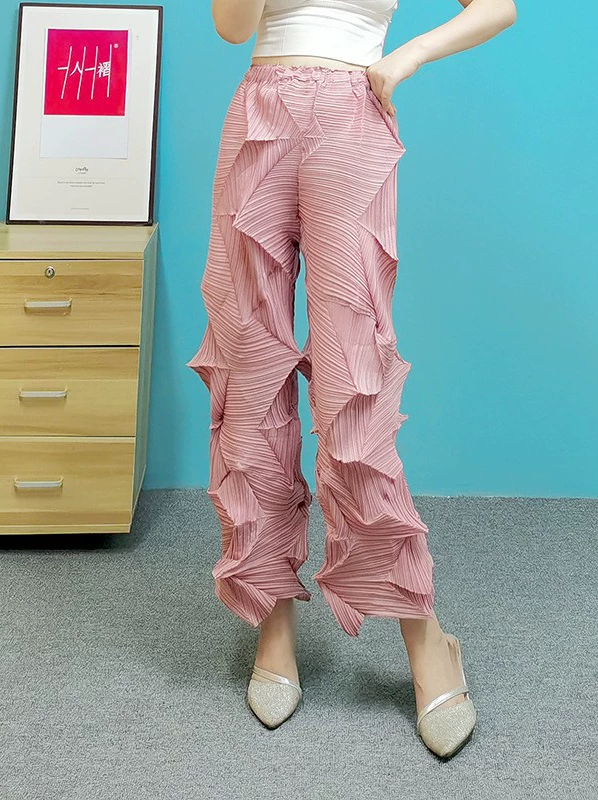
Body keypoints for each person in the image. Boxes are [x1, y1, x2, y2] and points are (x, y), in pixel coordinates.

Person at [187, 0, 516, 758]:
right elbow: (232, 27)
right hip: (258, 111)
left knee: (352, 387)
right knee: (249, 372)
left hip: (349, 115)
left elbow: (498, 7)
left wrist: (408, 56)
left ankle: (426, 635)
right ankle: (273, 620)